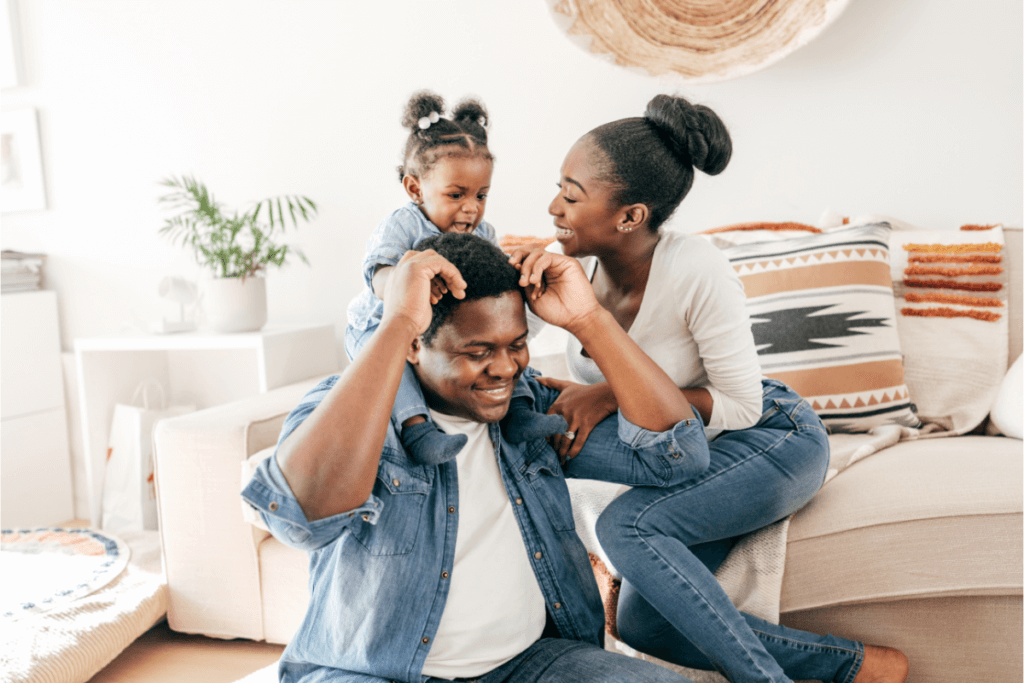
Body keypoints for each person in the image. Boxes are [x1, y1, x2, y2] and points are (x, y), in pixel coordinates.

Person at [508, 94, 909, 683]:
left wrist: (609, 392)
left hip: (770, 437)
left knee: (628, 527)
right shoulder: (577, 269)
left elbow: (742, 404)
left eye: (571, 194)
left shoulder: (696, 267)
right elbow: (498, 347)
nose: (553, 207)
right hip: (679, 446)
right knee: (645, 625)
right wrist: (500, 269)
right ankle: (862, 670)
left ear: (630, 216)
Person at [243, 232, 718, 682]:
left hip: (531, 664)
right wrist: (397, 322)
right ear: (414, 346)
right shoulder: (352, 410)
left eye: (517, 345)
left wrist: (589, 318)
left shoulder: (531, 406)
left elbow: (679, 455)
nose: (506, 367)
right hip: (375, 672)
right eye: (478, 351)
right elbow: (301, 520)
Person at [345, 90, 563, 467]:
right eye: (456, 194)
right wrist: (404, 287)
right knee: (392, 369)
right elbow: (378, 274)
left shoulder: (482, 233)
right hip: (382, 323)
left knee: (504, 350)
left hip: (442, 332)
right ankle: (417, 429)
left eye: (481, 195)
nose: (471, 207)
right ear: (415, 188)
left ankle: (521, 413)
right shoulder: (405, 224)